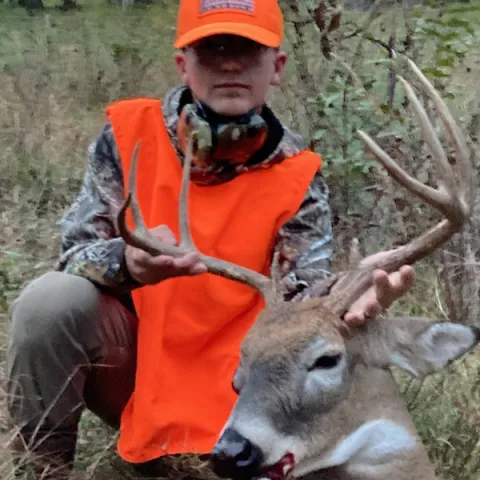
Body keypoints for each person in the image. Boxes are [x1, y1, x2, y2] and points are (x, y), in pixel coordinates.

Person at [6, 0, 414, 478]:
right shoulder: (127, 136)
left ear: (276, 67)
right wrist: (127, 262)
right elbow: (74, 256)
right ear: (184, 65)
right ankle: (39, 470)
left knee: (345, 364)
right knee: (50, 302)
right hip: (140, 375)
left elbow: (304, 293)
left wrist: (347, 299)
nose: (228, 64)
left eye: (248, 50)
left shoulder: (298, 176)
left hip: (250, 393)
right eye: (211, 49)